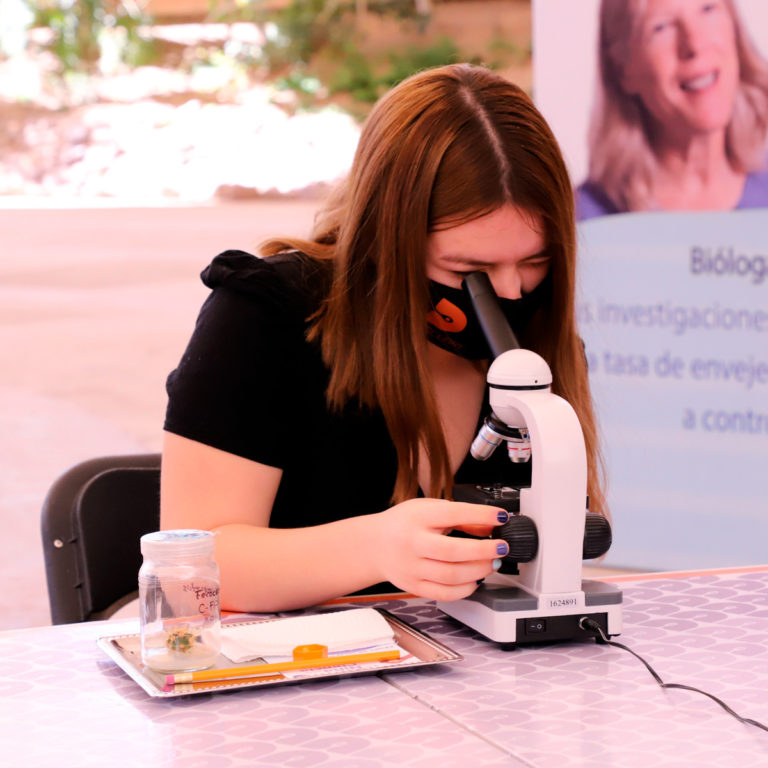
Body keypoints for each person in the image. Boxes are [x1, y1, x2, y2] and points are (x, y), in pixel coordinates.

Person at [161, 63, 606, 613]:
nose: (512, 294)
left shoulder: (538, 345)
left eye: (535, 261)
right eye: (472, 269)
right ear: (388, 240)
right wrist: (373, 549)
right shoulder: (267, 317)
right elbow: (188, 572)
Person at [578, 0, 768, 220]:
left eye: (707, 9)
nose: (695, 44)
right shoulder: (581, 222)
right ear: (623, 69)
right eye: (661, 27)